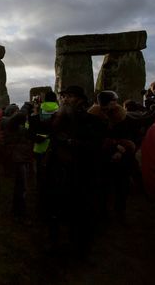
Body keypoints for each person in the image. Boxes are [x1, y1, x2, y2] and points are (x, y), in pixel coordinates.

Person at [46, 86, 105, 256]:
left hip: (81, 173)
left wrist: (73, 143)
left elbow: (96, 146)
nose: (64, 99)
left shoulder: (91, 121)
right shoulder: (57, 120)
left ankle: (82, 247)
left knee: (81, 212)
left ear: (80, 99)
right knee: (56, 210)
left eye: (69, 96)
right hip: (58, 172)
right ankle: (56, 242)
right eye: (63, 96)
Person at [88, 91, 136, 222]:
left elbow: (128, 136)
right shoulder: (93, 116)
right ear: (105, 102)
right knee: (102, 186)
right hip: (102, 157)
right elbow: (96, 138)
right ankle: (102, 213)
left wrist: (121, 150)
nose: (116, 102)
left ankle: (120, 212)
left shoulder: (121, 116)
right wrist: (114, 146)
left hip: (121, 156)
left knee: (122, 186)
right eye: (113, 100)